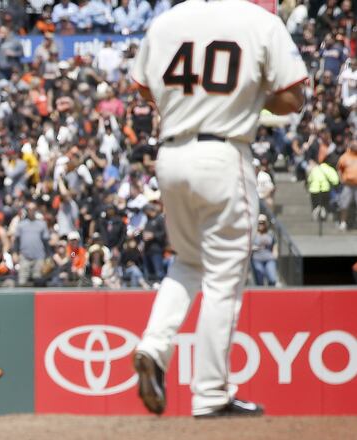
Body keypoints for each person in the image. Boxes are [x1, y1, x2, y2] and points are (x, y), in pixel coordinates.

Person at [130, 0, 306, 418]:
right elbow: (292, 96)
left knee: (188, 262)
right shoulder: (259, 20)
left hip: (171, 154)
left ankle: (153, 346)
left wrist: (189, 108)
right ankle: (211, 393)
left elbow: (142, 88)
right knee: (225, 275)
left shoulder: (167, 19)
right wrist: (242, 102)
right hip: (224, 153)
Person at [251, 214, 278, 286]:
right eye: (259, 222)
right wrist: (252, 248)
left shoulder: (270, 233)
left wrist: (275, 252)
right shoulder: (253, 234)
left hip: (269, 258)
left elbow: (275, 243)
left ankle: (272, 295)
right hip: (257, 259)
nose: (261, 224)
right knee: (259, 281)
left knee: (272, 279)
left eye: (262, 222)